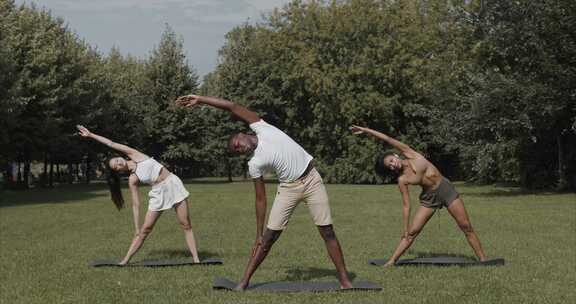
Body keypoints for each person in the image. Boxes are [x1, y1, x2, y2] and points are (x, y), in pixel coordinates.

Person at [176, 95, 353, 290]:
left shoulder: (261, 126)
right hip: (288, 189)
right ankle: (243, 282)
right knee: (268, 238)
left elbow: (232, 106)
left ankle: (345, 281)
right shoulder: (254, 164)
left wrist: (201, 99)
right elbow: (260, 199)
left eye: (236, 143)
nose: (239, 149)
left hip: (312, 180)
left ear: (243, 133)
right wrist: (258, 234)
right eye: (237, 151)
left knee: (327, 231)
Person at [350, 125, 488, 266]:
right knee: (411, 233)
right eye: (390, 166)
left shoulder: (410, 153)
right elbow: (406, 205)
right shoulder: (402, 180)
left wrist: (366, 130)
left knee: (466, 226)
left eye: (391, 160)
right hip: (429, 198)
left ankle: (483, 260)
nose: (393, 165)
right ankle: (391, 262)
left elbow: (387, 138)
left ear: (395, 155)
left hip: (446, 189)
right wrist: (405, 228)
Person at [76, 125, 200, 265]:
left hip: (172, 184)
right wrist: (136, 227)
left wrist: (91, 135)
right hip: (158, 193)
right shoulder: (133, 179)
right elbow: (136, 204)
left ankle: (196, 259)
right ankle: (125, 260)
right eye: (116, 166)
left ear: (119, 157)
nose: (118, 163)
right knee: (145, 229)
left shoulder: (135, 154)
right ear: (118, 171)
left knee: (186, 224)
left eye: (116, 160)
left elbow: (111, 143)